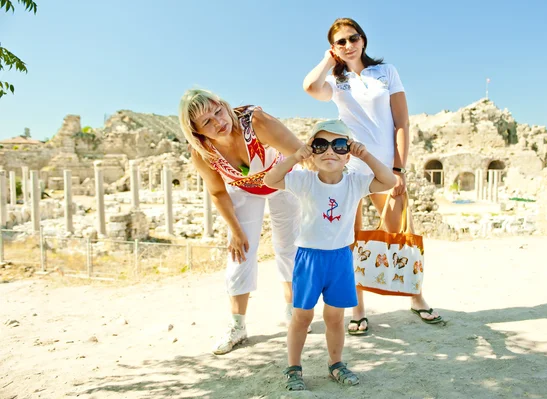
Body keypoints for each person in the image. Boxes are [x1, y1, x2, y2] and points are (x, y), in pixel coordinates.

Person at [303, 17, 443, 335]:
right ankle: (359, 309)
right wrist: (329, 60)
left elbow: (402, 122)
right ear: (334, 48)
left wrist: (399, 168)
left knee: (399, 233)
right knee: (349, 239)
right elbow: (310, 87)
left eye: (353, 38)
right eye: (341, 42)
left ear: (363, 40)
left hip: (384, 167)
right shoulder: (335, 81)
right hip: (348, 167)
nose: (349, 45)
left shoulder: (386, 72)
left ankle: (416, 297)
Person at [264, 120, 396, 390]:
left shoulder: (355, 183)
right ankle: (294, 367)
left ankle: (336, 363)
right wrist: (295, 156)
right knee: (302, 317)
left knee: (335, 318)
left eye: (339, 145)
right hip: (309, 259)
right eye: (320, 145)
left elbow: (389, 180)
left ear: (348, 153)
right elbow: (270, 179)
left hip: (339, 259)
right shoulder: (304, 180)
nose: (330, 152)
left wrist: (366, 155)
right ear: (312, 151)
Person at [179, 88, 305, 355]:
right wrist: (235, 231)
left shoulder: (255, 121)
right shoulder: (202, 151)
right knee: (240, 251)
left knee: (287, 246)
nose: (219, 122)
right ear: (197, 131)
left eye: (218, 111)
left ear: (223, 104)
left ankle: (293, 309)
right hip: (244, 189)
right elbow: (217, 191)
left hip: (283, 179)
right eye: (207, 122)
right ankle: (237, 325)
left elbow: (299, 152)